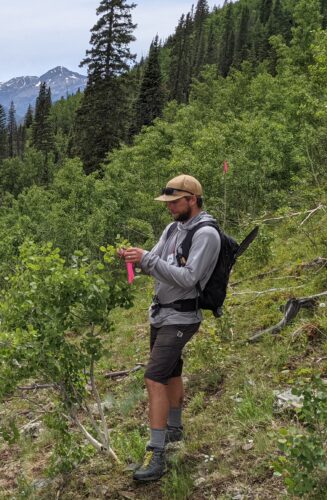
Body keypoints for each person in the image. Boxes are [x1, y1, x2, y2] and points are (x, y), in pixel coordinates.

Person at [119, 174, 221, 482]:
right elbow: (157, 261)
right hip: (162, 316)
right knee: (172, 372)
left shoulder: (207, 235)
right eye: (167, 203)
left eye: (174, 202)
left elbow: (189, 278)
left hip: (182, 317)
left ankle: (156, 453)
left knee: (154, 378)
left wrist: (147, 259)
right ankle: (175, 431)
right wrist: (135, 258)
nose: (170, 208)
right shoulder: (173, 227)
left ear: (192, 199)